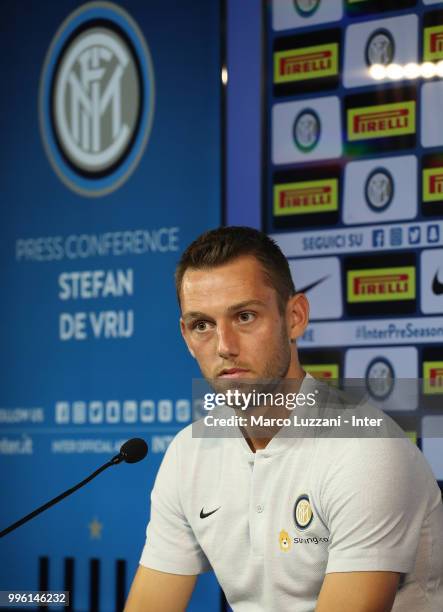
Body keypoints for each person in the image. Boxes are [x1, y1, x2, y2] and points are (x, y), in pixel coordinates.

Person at [125, 226, 443, 612]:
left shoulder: (367, 449)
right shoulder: (188, 453)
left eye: (244, 316)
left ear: (294, 317)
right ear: (186, 336)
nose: (224, 346)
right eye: (202, 325)